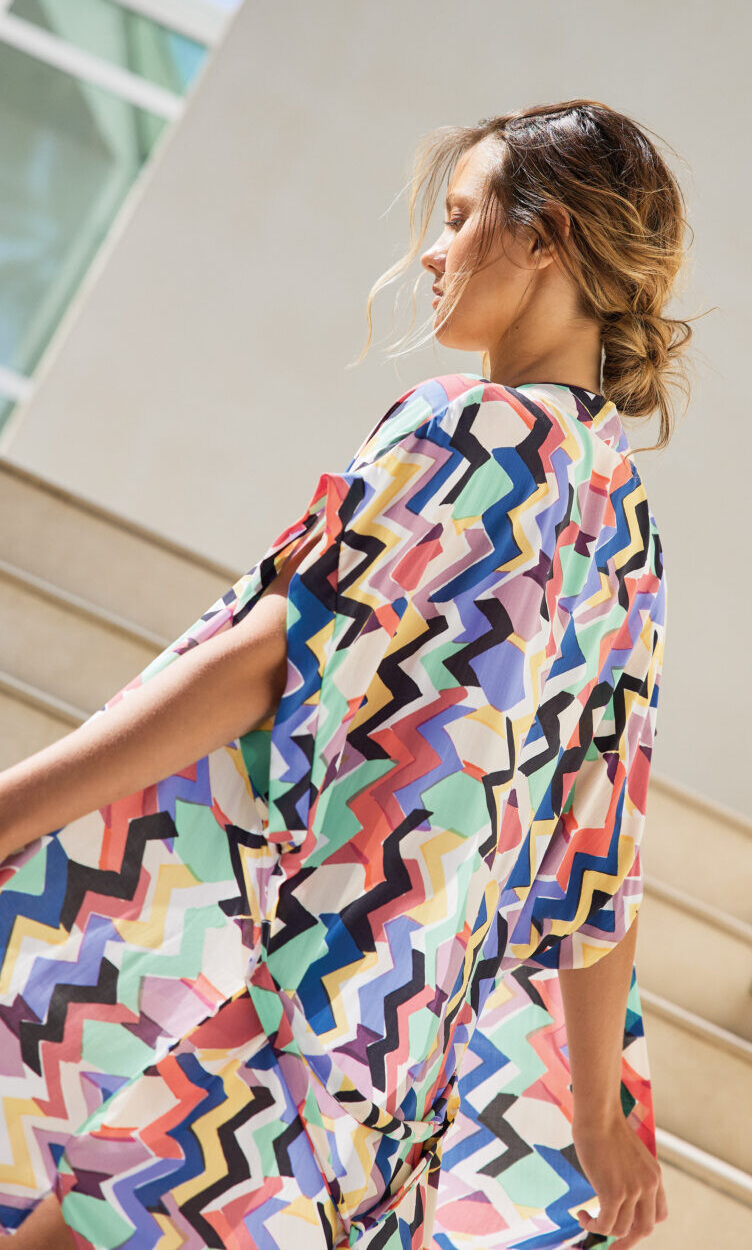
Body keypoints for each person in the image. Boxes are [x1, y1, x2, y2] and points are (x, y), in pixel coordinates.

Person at [0, 99, 694, 1250]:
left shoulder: (474, 428)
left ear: (544, 237)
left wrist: (14, 807)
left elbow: (276, 658)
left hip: (260, 985)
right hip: (379, 1072)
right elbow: (597, 847)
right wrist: (594, 1112)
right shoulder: (624, 524)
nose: (432, 251)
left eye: (461, 216)